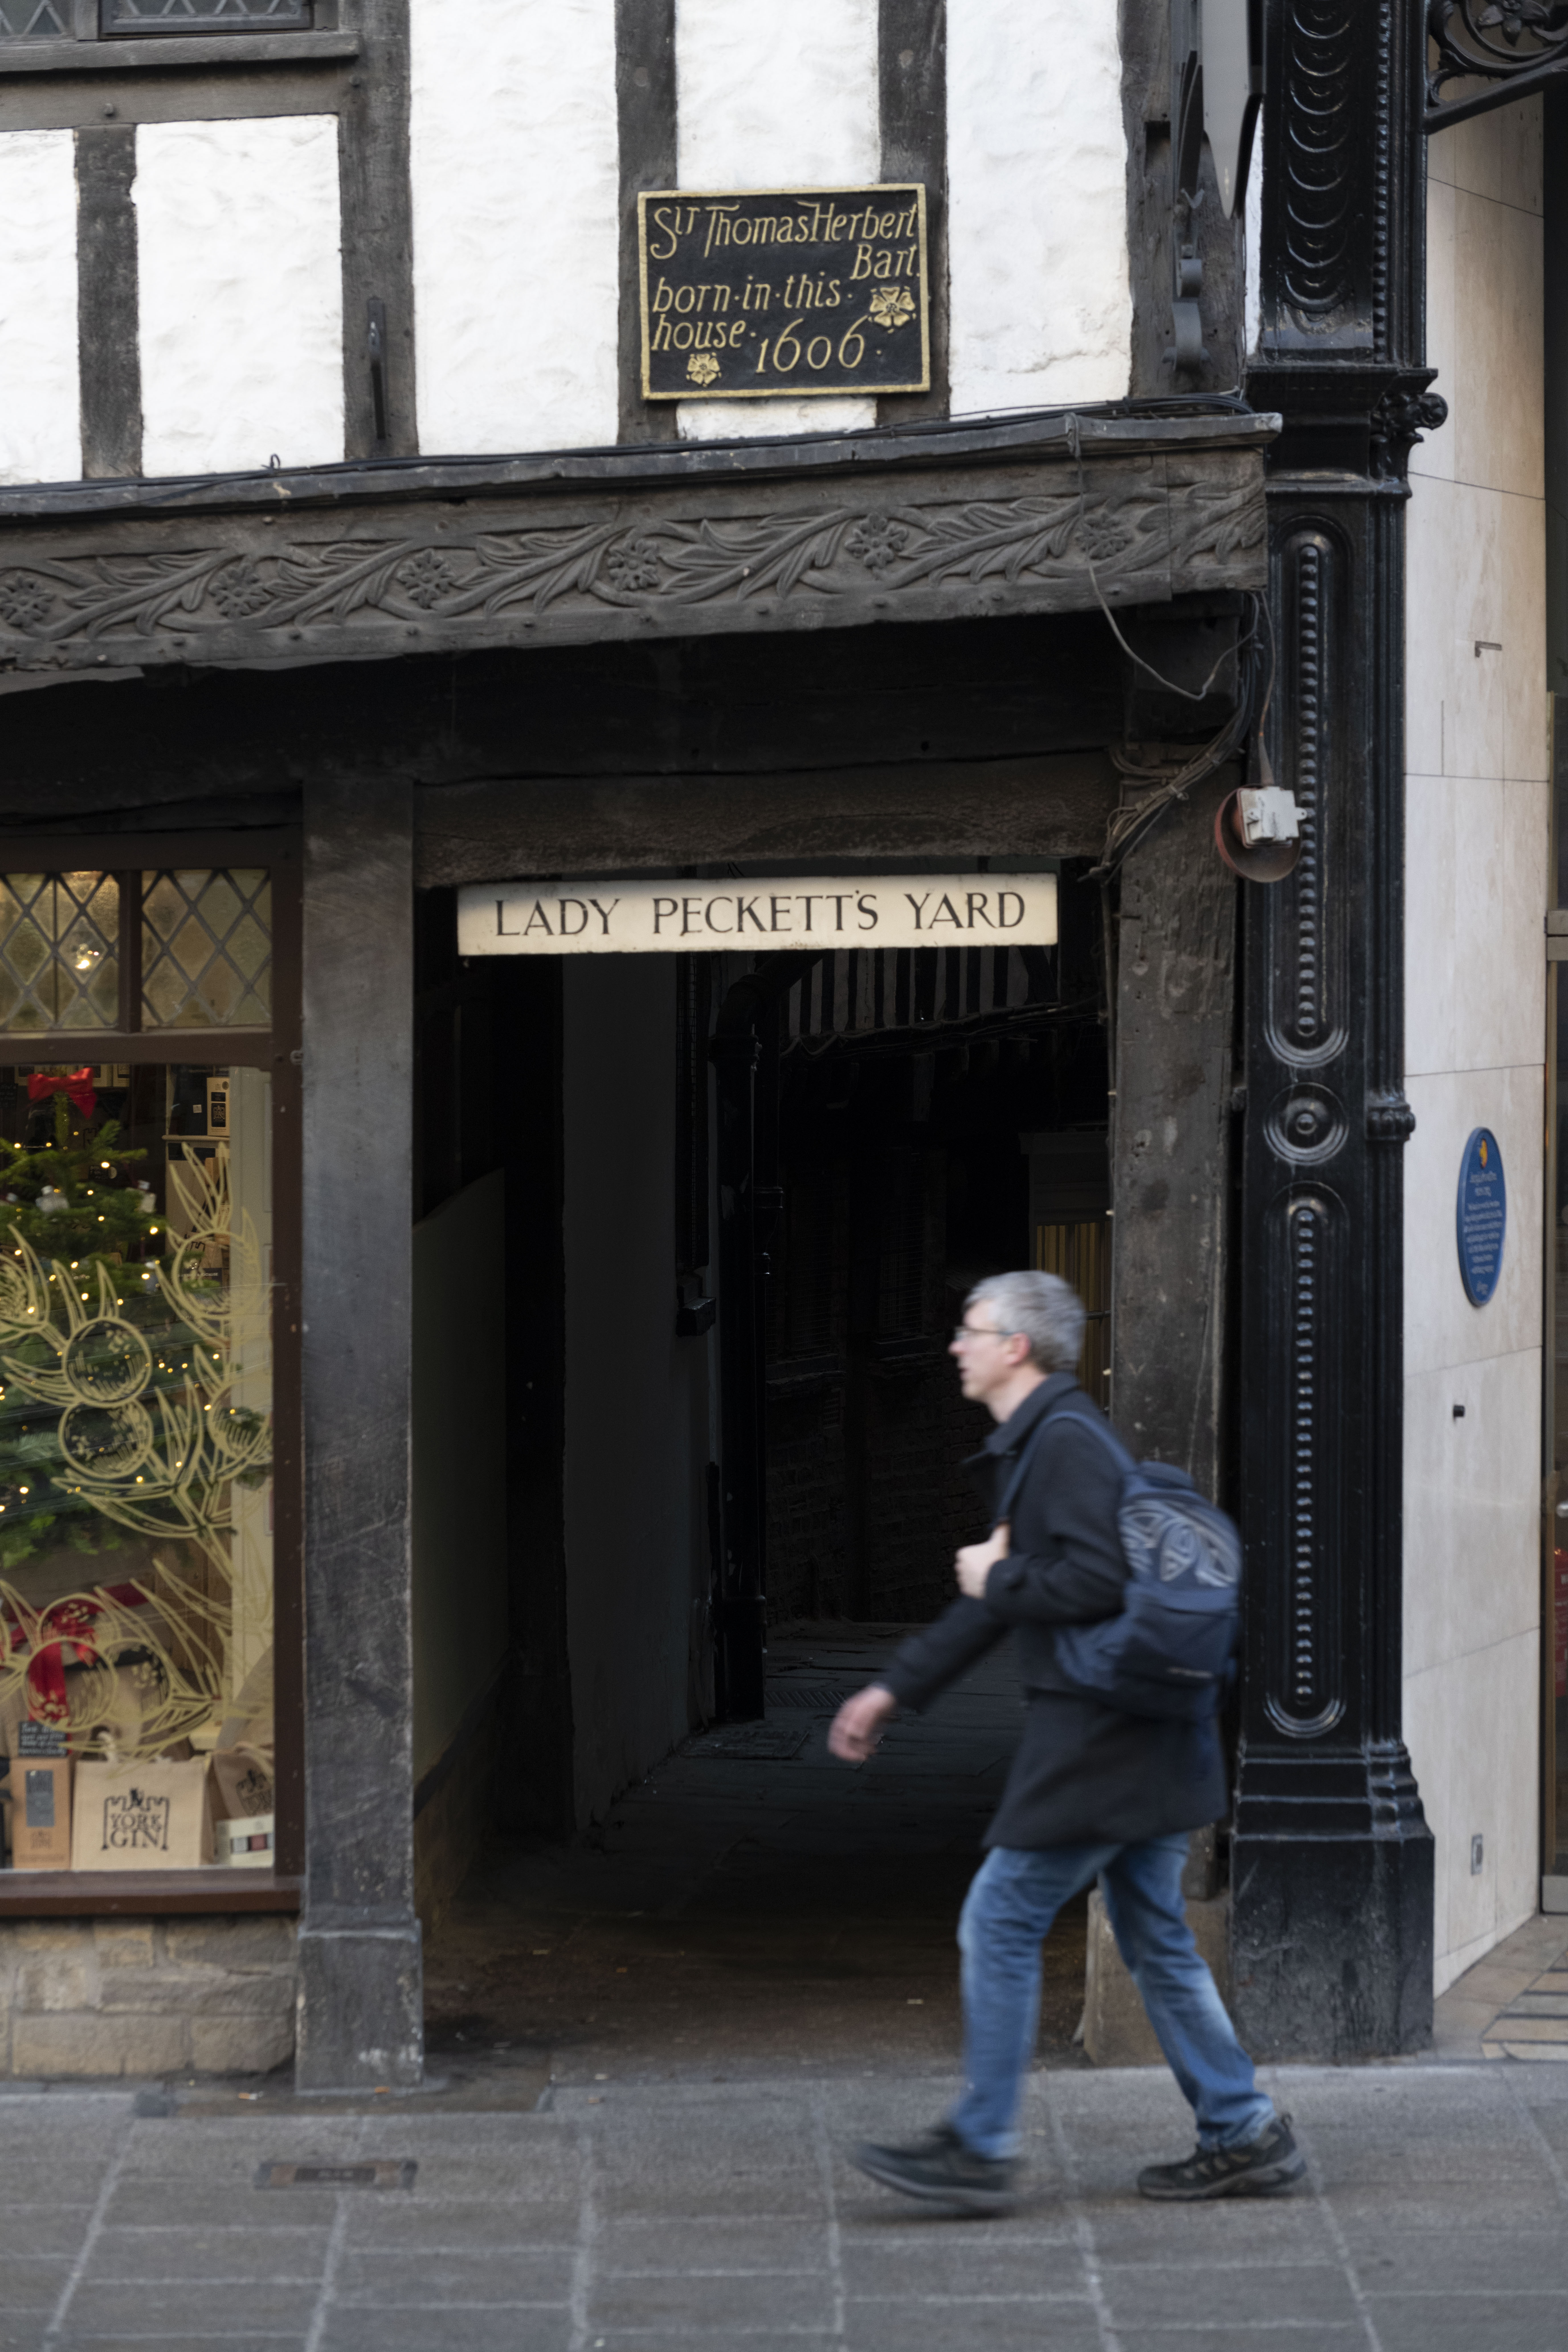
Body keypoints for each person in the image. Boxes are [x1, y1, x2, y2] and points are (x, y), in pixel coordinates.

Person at [828, 1270, 1301, 2213]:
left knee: (998, 1921)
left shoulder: (1068, 1444)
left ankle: (982, 2146)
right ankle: (1243, 2129)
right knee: (1154, 1936)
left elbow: (1085, 1582)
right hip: (1147, 1735)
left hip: (1106, 1738)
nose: (955, 1344)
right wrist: (894, 1690)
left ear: (1017, 1347)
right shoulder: (1041, 1443)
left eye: (971, 1329)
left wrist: (996, 1581)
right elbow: (999, 1600)